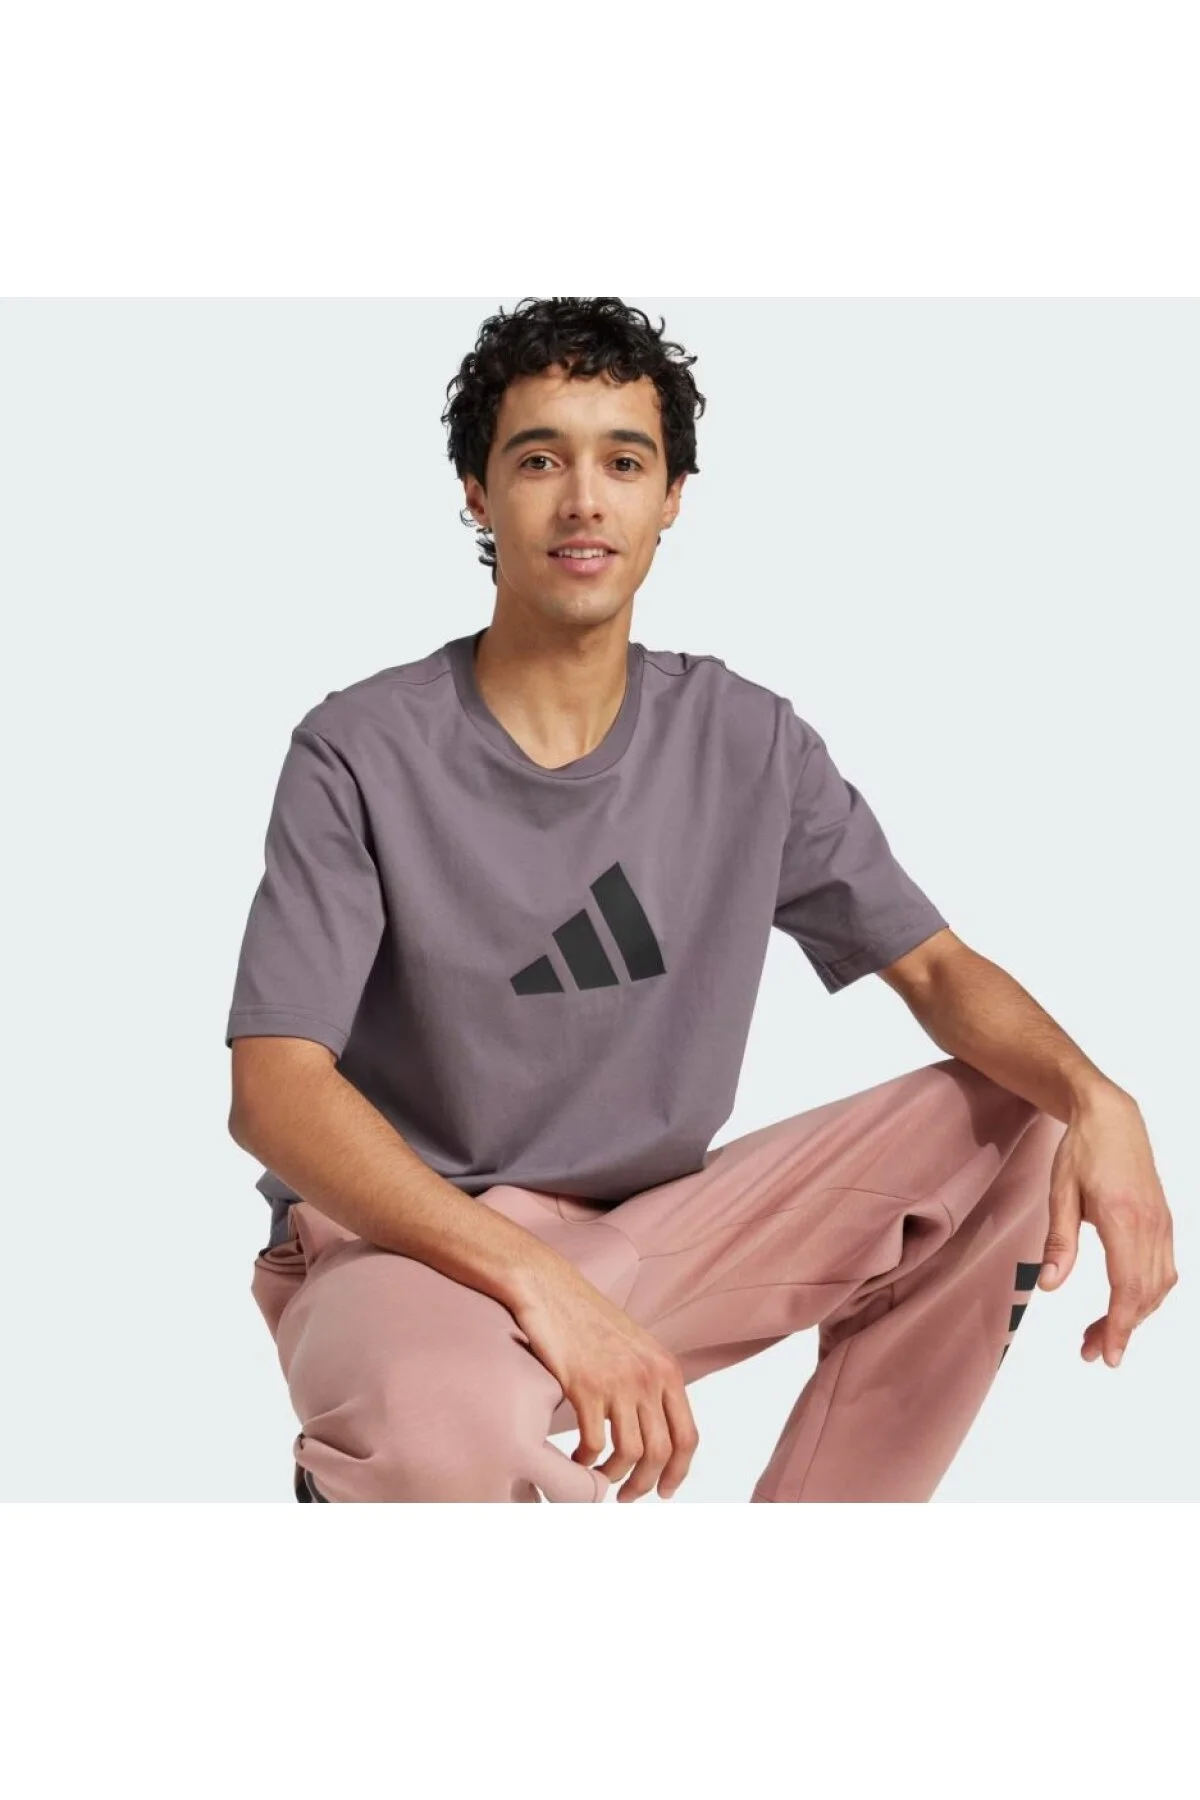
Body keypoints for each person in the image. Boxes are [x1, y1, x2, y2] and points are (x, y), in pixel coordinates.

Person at [225, 295, 1176, 1503]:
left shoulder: (746, 741)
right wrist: (538, 1281)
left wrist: (1102, 1097)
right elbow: (275, 1089)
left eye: (624, 463)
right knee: (435, 1446)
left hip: (663, 1230)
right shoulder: (361, 749)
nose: (585, 500)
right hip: (411, 1252)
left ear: (671, 496)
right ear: (477, 491)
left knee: (1026, 1114)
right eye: (540, 460)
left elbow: (937, 971)